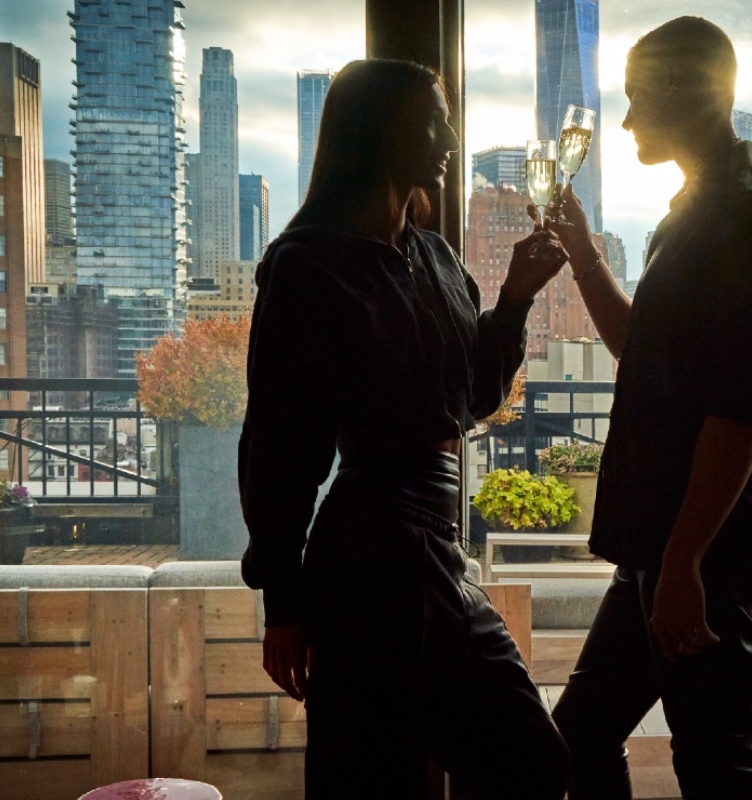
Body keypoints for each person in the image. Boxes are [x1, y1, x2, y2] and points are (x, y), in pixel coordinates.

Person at [238, 59, 570, 799]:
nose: (450, 136)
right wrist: (283, 604)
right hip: (370, 556)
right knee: (399, 776)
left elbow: (474, 399)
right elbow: (279, 447)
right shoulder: (308, 267)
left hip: (433, 545)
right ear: (380, 132)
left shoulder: (434, 256)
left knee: (516, 763)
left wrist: (514, 300)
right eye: (434, 119)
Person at [544, 17, 752, 800]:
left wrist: (688, 564)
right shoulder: (696, 209)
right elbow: (644, 351)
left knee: (715, 766)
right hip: (668, 551)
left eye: (635, 100)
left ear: (688, 92)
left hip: (700, 556)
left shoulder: (741, 220)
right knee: (586, 737)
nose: (623, 123)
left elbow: (742, 411)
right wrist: (586, 256)